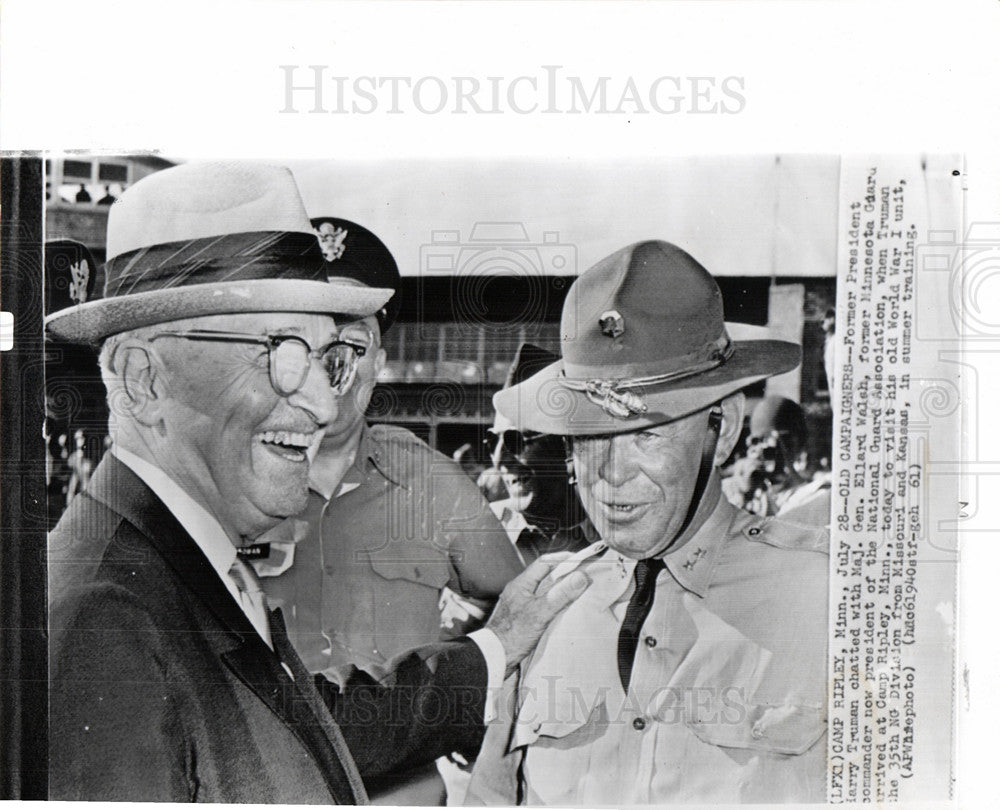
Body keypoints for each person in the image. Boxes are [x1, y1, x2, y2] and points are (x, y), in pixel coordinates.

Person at [44, 163, 588, 803]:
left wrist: (496, 647)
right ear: (143, 378)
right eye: (279, 352)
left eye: (328, 357)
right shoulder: (104, 627)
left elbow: (312, 728)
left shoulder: (184, 558)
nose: (325, 407)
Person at [469, 240, 829, 805]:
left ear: (724, 428)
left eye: (647, 433)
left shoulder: (827, 598)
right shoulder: (544, 609)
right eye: (588, 438)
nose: (610, 474)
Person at [257, 216, 525, 804]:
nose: (332, 372)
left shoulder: (429, 484)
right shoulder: (235, 482)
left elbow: (518, 612)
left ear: (381, 362)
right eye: (312, 345)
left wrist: (459, 689)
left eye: (353, 346)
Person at [722, 395, 832, 525]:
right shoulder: (728, 489)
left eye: (784, 443)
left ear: (796, 444)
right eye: (758, 442)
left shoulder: (814, 495)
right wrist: (744, 494)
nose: (768, 451)